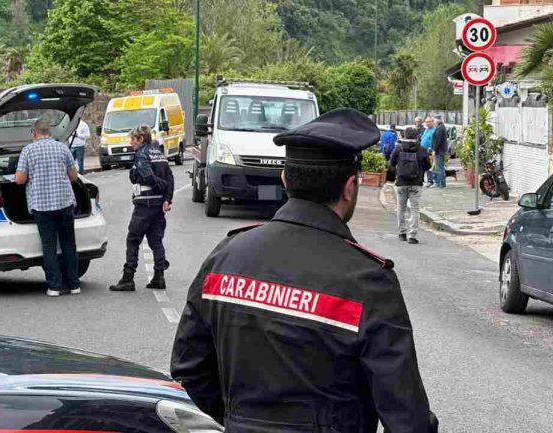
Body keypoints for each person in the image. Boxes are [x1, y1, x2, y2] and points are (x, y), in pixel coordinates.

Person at [171, 108, 438, 433]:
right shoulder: (368, 281)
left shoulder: (227, 256)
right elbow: (407, 418)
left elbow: (189, 369)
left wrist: (239, 419)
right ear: (350, 187)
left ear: (285, 179)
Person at [16, 117, 80, 297]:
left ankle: (55, 286)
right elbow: (74, 176)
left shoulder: (28, 151)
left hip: (42, 205)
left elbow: (19, 180)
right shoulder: (62, 148)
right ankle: (74, 285)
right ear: (50, 132)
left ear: (34, 132)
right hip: (64, 202)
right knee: (68, 244)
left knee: (49, 246)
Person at [109, 125, 174, 292]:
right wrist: (167, 197)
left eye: (133, 139)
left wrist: (160, 185)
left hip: (145, 203)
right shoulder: (158, 153)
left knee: (133, 239)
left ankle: (128, 278)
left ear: (141, 139)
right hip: (158, 204)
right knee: (155, 240)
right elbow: (170, 177)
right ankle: (159, 276)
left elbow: (147, 176)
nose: (131, 143)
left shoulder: (142, 154)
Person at [390, 127, 431, 245]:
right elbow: (428, 166)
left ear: (404, 136)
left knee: (401, 209)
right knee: (414, 210)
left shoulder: (399, 148)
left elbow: (391, 163)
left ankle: (402, 233)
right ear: (416, 136)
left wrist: (398, 173)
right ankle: (412, 236)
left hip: (401, 183)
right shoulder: (422, 149)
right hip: (416, 183)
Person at [431, 117, 448, 188]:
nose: (433, 122)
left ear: (437, 121)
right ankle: (442, 183)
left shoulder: (439, 128)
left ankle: (440, 183)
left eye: (434, 120)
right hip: (441, 150)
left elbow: (437, 140)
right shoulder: (442, 127)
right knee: (440, 167)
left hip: (439, 150)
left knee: (439, 167)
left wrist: (434, 149)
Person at [420, 117, 436, 187]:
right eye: (426, 122)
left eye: (429, 122)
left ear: (433, 122)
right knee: (423, 166)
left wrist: (431, 148)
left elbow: (435, 141)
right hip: (423, 150)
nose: (428, 123)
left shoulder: (434, 130)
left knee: (429, 166)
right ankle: (424, 180)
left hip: (430, 151)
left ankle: (431, 181)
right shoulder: (426, 130)